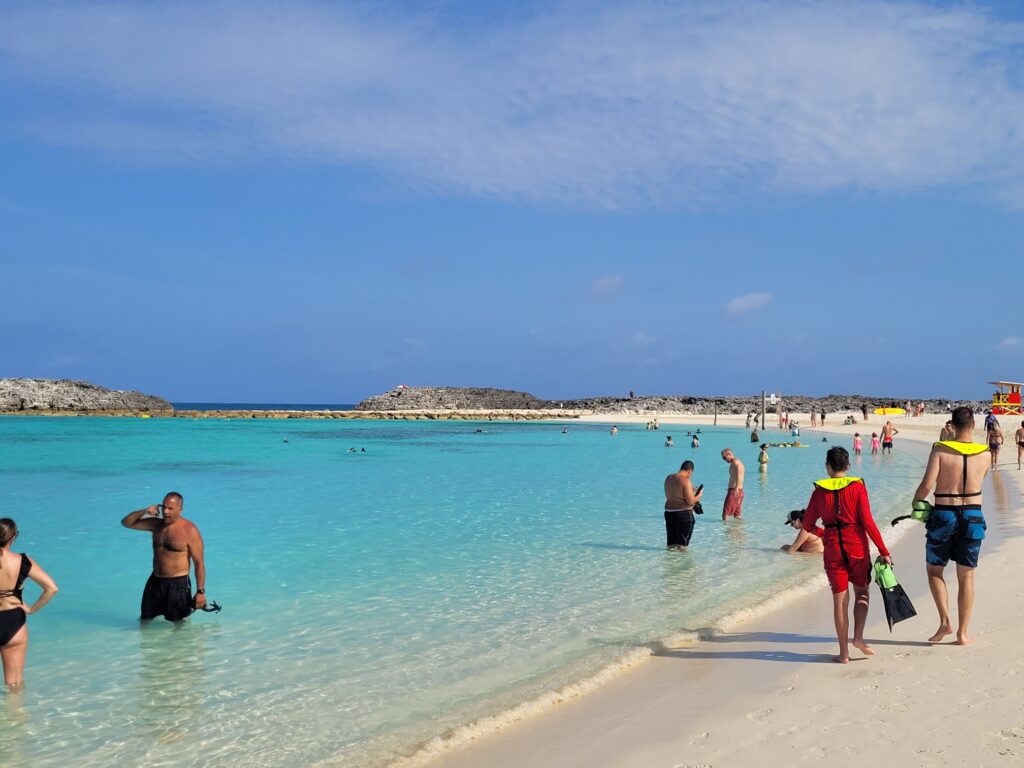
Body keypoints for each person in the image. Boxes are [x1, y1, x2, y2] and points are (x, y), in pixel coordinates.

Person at [787, 447, 891, 663]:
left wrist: (825, 533)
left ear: (827, 467)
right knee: (862, 593)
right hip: (857, 547)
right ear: (848, 466)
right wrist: (884, 551)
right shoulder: (857, 488)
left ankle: (843, 654)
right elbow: (868, 522)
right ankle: (858, 638)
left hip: (833, 549)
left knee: (840, 601)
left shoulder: (818, 493)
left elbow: (807, 525)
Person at [912, 406, 990, 645]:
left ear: (952, 426)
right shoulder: (985, 453)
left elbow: (927, 485)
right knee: (967, 577)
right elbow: (980, 479)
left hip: (944, 514)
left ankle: (945, 621)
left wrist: (916, 501)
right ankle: (963, 633)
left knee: (935, 570)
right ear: (974, 425)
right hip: (973, 515)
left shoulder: (940, 450)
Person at [121, 492, 207, 621]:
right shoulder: (156, 524)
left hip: (178, 584)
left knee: (178, 624)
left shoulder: (190, 530)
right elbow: (126, 523)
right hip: (155, 581)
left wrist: (200, 592)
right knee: (145, 620)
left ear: (180, 509)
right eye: (164, 507)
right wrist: (144, 511)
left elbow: (199, 563)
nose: (166, 512)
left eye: (170, 508)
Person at [0, 519, 58, 688]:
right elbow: (51, 588)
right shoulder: (22, 560)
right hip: (13, 621)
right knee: (14, 684)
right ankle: (16, 706)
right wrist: (31, 609)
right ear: (13, 537)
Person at [664, 460, 703, 551]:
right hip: (684, 515)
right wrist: (699, 495)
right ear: (689, 471)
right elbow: (691, 502)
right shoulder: (686, 480)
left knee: (671, 545)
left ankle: (670, 560)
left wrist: (690, 491)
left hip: (669, 513)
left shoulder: (668, 478)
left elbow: (669, 495)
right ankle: (684, 561)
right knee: (682, 546)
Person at [721, 448, 745, 519]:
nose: (724, 460)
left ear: (729, 455)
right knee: (737, 516)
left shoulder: (735, 462)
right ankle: (739, 527)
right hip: (740, 491)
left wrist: (736, 488)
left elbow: (739, 474)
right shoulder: (739, 462)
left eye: (724, 457)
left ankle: (725, 527)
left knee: (725, 515)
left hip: (734, 491)